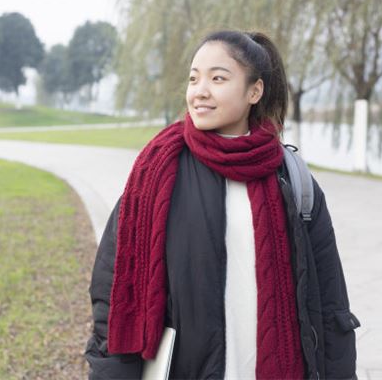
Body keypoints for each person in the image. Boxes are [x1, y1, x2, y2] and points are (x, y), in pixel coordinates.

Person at [84, 30, 360, 380]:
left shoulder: (293, 180)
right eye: (193, 78)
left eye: (217, 79)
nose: (200, 91)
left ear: (254, 92)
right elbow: (114, 296)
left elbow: (330, 303)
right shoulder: (156, 176)